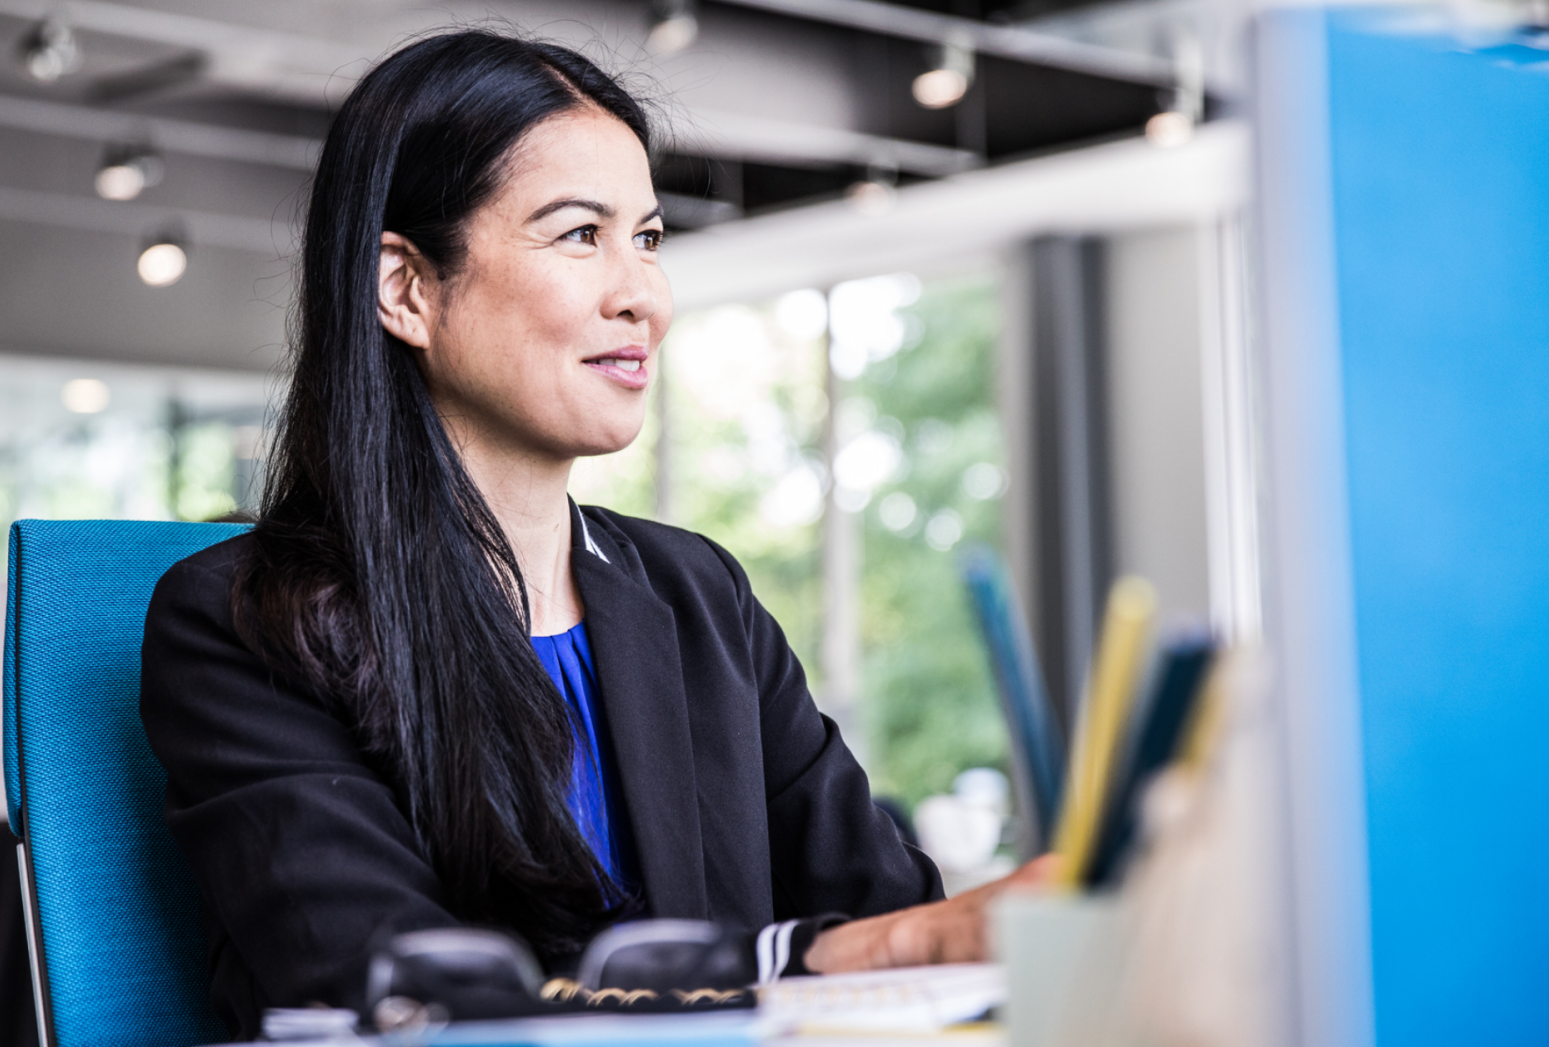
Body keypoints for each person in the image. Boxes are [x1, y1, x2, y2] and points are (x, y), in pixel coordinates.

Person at [139, 29, 1047, 1034]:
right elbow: (413, 993)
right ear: (406, 289)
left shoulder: (699, 596)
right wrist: (810, 958)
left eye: (648, 239)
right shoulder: (244, 624)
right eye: (580, 235)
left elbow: (893, 917)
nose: (642, 297)